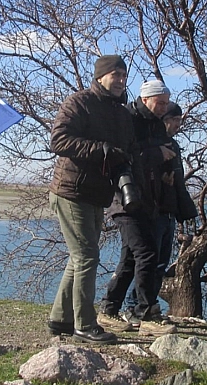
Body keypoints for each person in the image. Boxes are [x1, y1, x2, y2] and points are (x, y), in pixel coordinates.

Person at [46, 55, 139, 345]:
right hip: (71, 190)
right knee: (87, 256)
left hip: (97, 194)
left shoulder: (122, 113)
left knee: (80, 258)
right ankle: (85, 324)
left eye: (124, 75)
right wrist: (102, 150)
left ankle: (61, 319)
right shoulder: (79, 102)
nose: (121, 80)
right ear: (100, 77)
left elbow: (127, 148)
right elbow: (58, 140)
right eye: (116, 75)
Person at [97, 80, 179, 337]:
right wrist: (157, 154)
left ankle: (109, 311)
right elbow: (123, 155)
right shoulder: (128, 119)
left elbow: (154, 158)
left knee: (131, 259)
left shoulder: (154, 123)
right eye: (161, 103)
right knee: (147, 255)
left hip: (147, 200)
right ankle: (145, 313)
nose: (164, 108)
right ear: (146, 99)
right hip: (124, 199)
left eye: (166, 103)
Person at [123, 101, 198, 322]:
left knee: (159, 264)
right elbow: (142, 175)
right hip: (151, 211)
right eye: (174, 120)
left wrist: (183, 210)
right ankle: (133, 307)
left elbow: (177, 182)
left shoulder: (173, 146)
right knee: (145, 262)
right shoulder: (147, 145)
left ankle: (146, 306)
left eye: (179, 120)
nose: (178, 124)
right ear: (163, 121)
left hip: (168, 210)